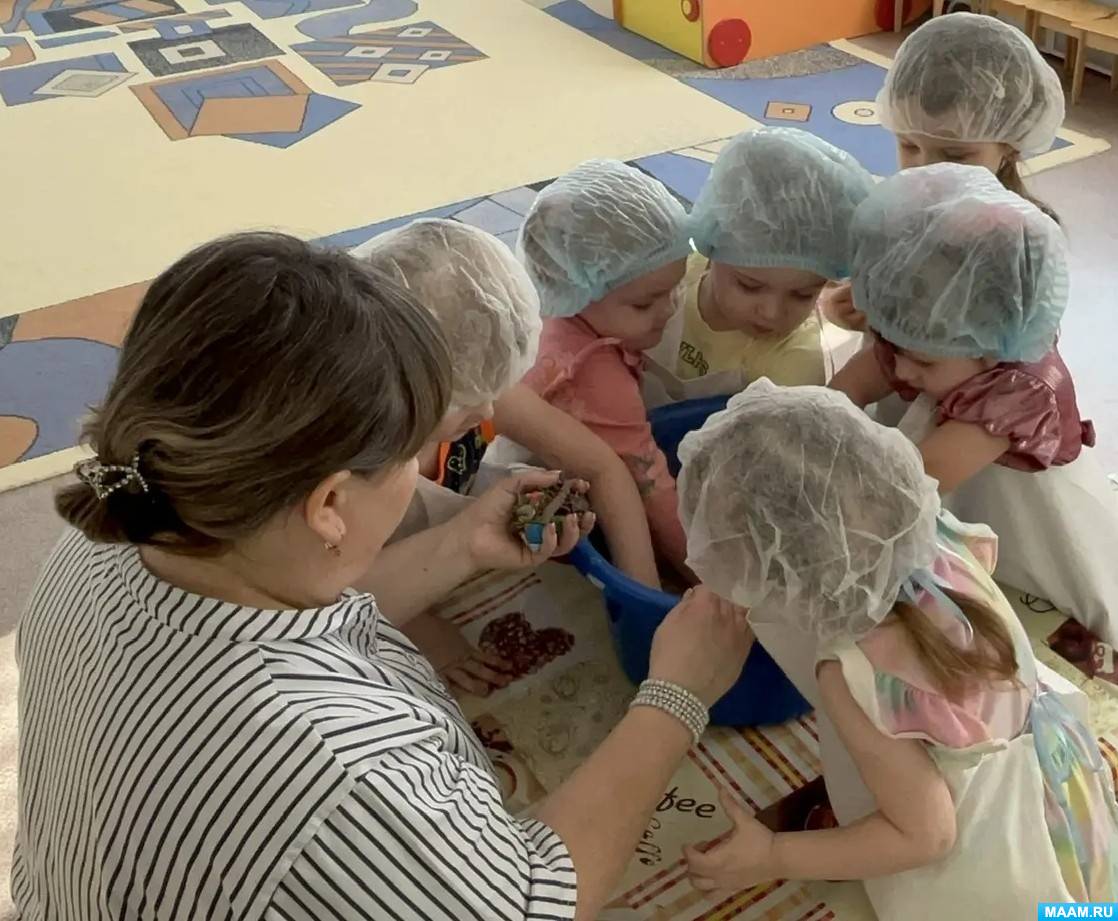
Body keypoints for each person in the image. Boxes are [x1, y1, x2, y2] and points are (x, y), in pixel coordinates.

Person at [12, 232, 755, 921]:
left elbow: (295, 617)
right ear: (329, 505)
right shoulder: (342, 776)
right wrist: (675, 698)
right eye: (410, 457)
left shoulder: (116, 527)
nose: (417, 478)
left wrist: (461, 543)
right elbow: (536, 902)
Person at [676, 381, 1118, 919]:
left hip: (1002, 853)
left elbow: (925, 835)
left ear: (774, 570)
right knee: (1086, 905)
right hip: (1062, 790)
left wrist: (772, 853)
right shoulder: (940, 537)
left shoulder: (853, 674)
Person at [357, 219, 660, 696]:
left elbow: (602, 467)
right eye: (463, 403)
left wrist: (645, 599)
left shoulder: (481, 386)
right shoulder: (352, 460)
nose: (486, 412)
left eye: (493, 390)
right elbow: (328, 592)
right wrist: (422, 629)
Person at [831, 163, 1118, 644]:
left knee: (1069, 616)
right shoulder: (928, 339)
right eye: (890, 344)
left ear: (991, 345)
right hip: (974, 509)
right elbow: (841, 393)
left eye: (922, 361)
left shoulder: (1019, 392)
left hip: (1038, 533)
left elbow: (912, 481)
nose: (901, 370)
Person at [825, 13, 1065, 335]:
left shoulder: (1025, 239)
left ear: (1011, 145)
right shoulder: (890, 218)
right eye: (909, 145)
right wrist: (852, 311)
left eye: (955, 155)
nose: (927, 168)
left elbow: (1028, 344)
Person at [518, 159, 694, 579]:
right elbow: (650, 487)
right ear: (579, 289)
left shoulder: (551, 306)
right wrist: (707, 577)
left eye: (674, 289)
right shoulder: (593, 374)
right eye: (645, 304)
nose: (669, 310)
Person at [645, 127, 874, 398]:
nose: (772, 313)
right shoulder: (672, 276)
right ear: (712, 246)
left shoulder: (796, 364)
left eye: (802, 295)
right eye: (749, 286)